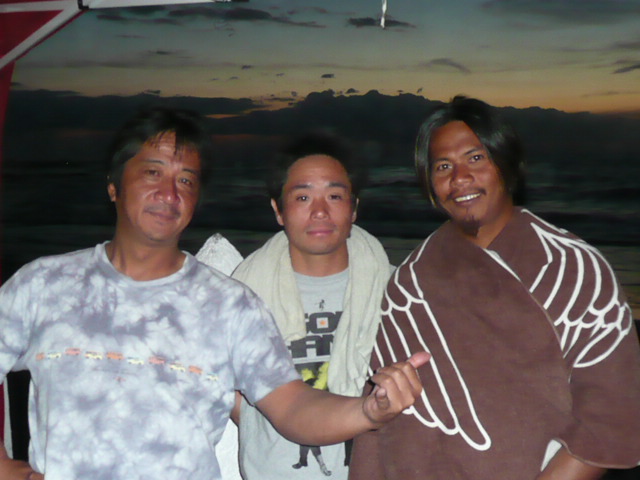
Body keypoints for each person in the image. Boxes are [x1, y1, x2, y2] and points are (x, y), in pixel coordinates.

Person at [0, 107, 429, 480]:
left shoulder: (230, 305)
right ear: (114, 185)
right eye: (152, 172)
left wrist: (368, 411)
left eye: (186, 180)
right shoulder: (44, 285)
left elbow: (292, 407)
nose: (169, 193)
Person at [348, 96, 640, 480]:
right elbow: (382, 421)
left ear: (507, 163)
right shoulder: (409, 283)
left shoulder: (573, 269)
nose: (459, 178)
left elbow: (611, 417)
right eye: (443, 166)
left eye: (476, 158)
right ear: (430, 184)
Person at [231, 132, 394, 480]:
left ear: (354, 207)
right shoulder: (242, 294)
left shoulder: (396, 290)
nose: (320, 211)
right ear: (278, 210)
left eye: (334, 196)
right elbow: (226, 390)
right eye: (303, 197)